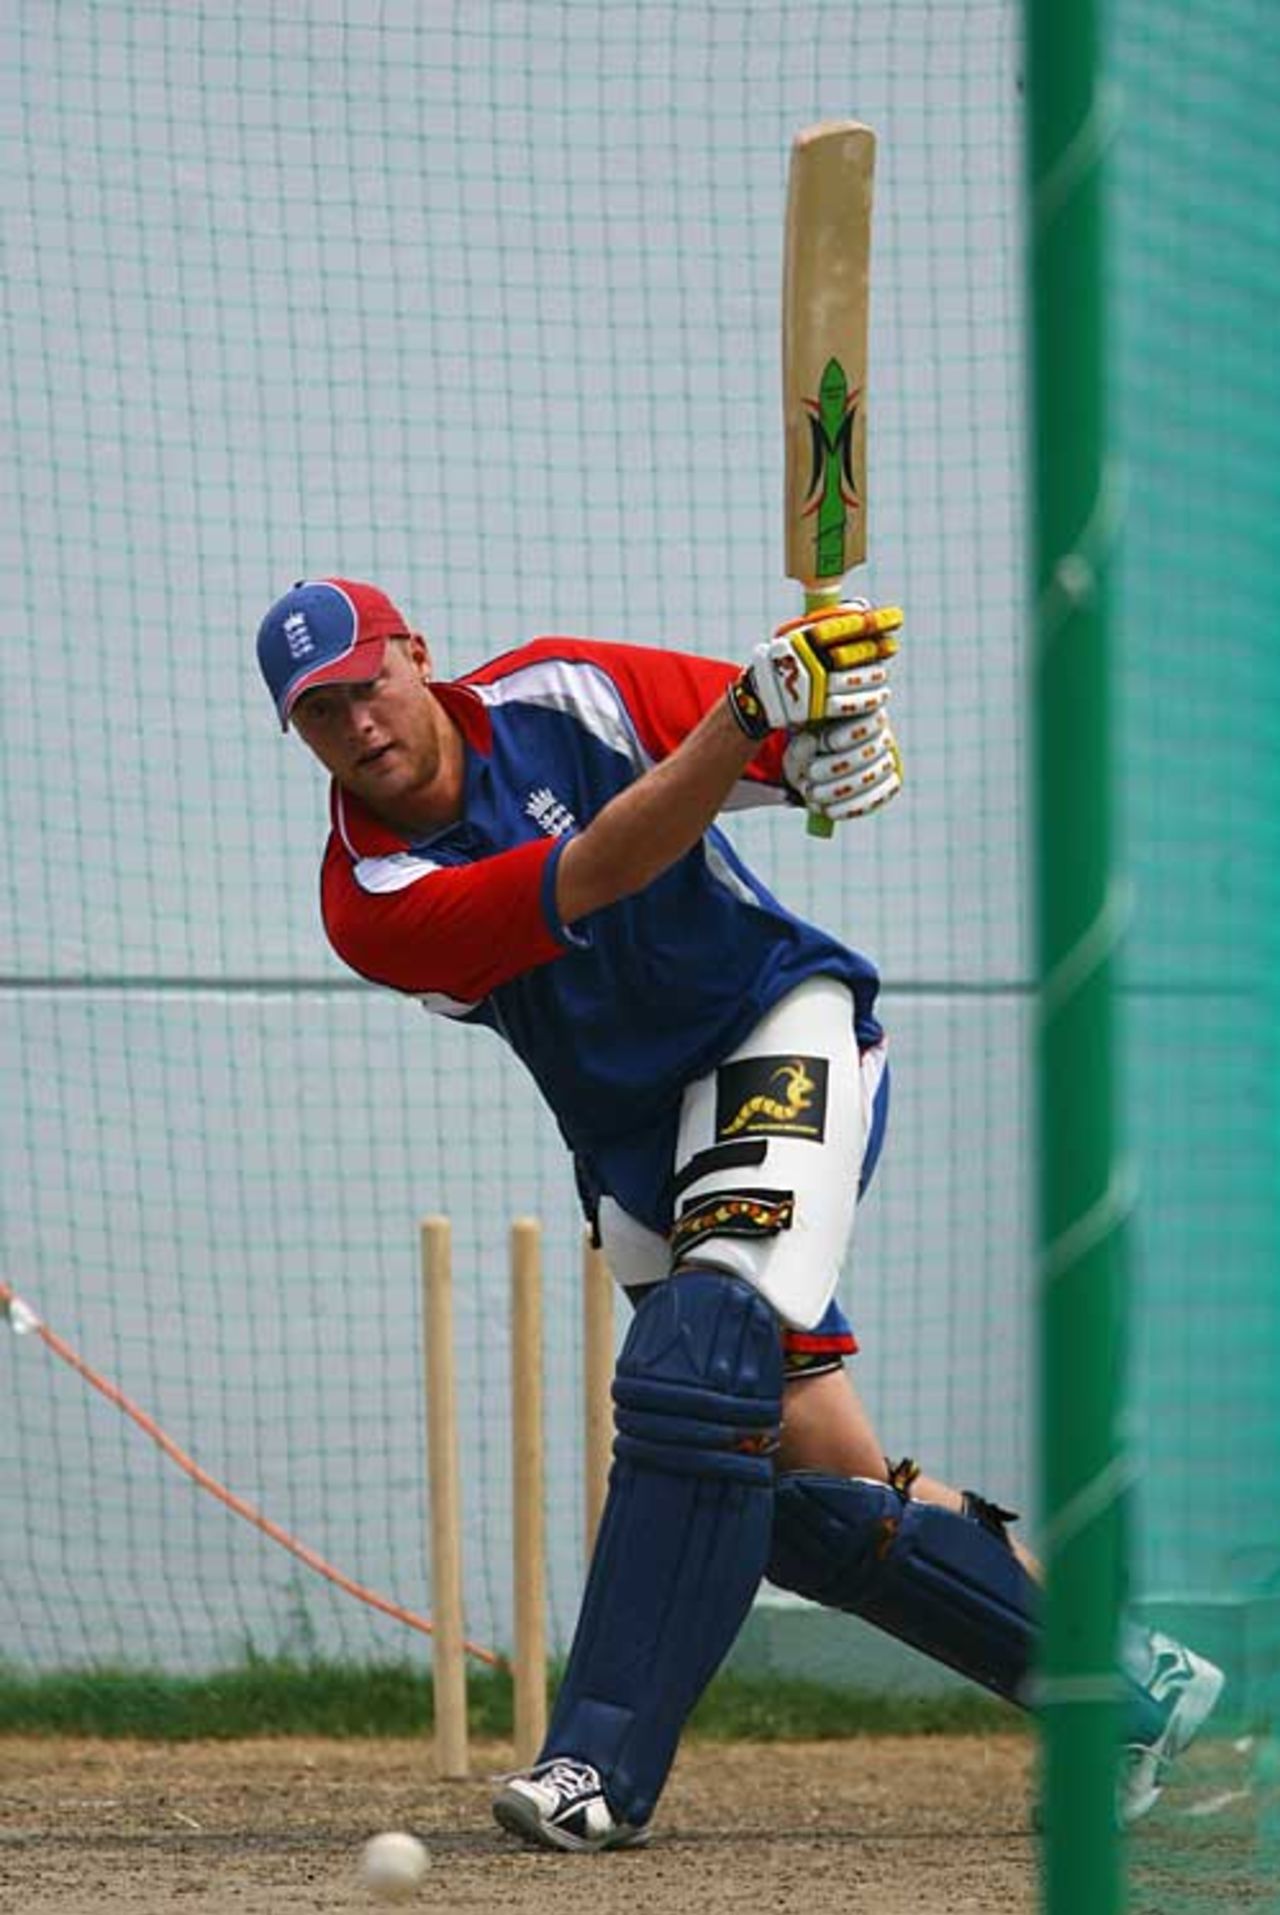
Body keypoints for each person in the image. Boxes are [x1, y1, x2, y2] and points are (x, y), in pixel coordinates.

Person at [256, 576, 1222, 1851]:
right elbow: (597, 865)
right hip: (634, 1141)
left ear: (413, 653)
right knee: (801, 1494)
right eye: (318, 712)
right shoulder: (368, 896)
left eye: (364, 681)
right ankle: (1124, 1692)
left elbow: (769, 740)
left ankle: (592, 1765)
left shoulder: (566, 687)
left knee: (694, 1359)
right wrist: (747, 724)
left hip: (774, 1032)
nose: (357, 723)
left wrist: (824, 747)